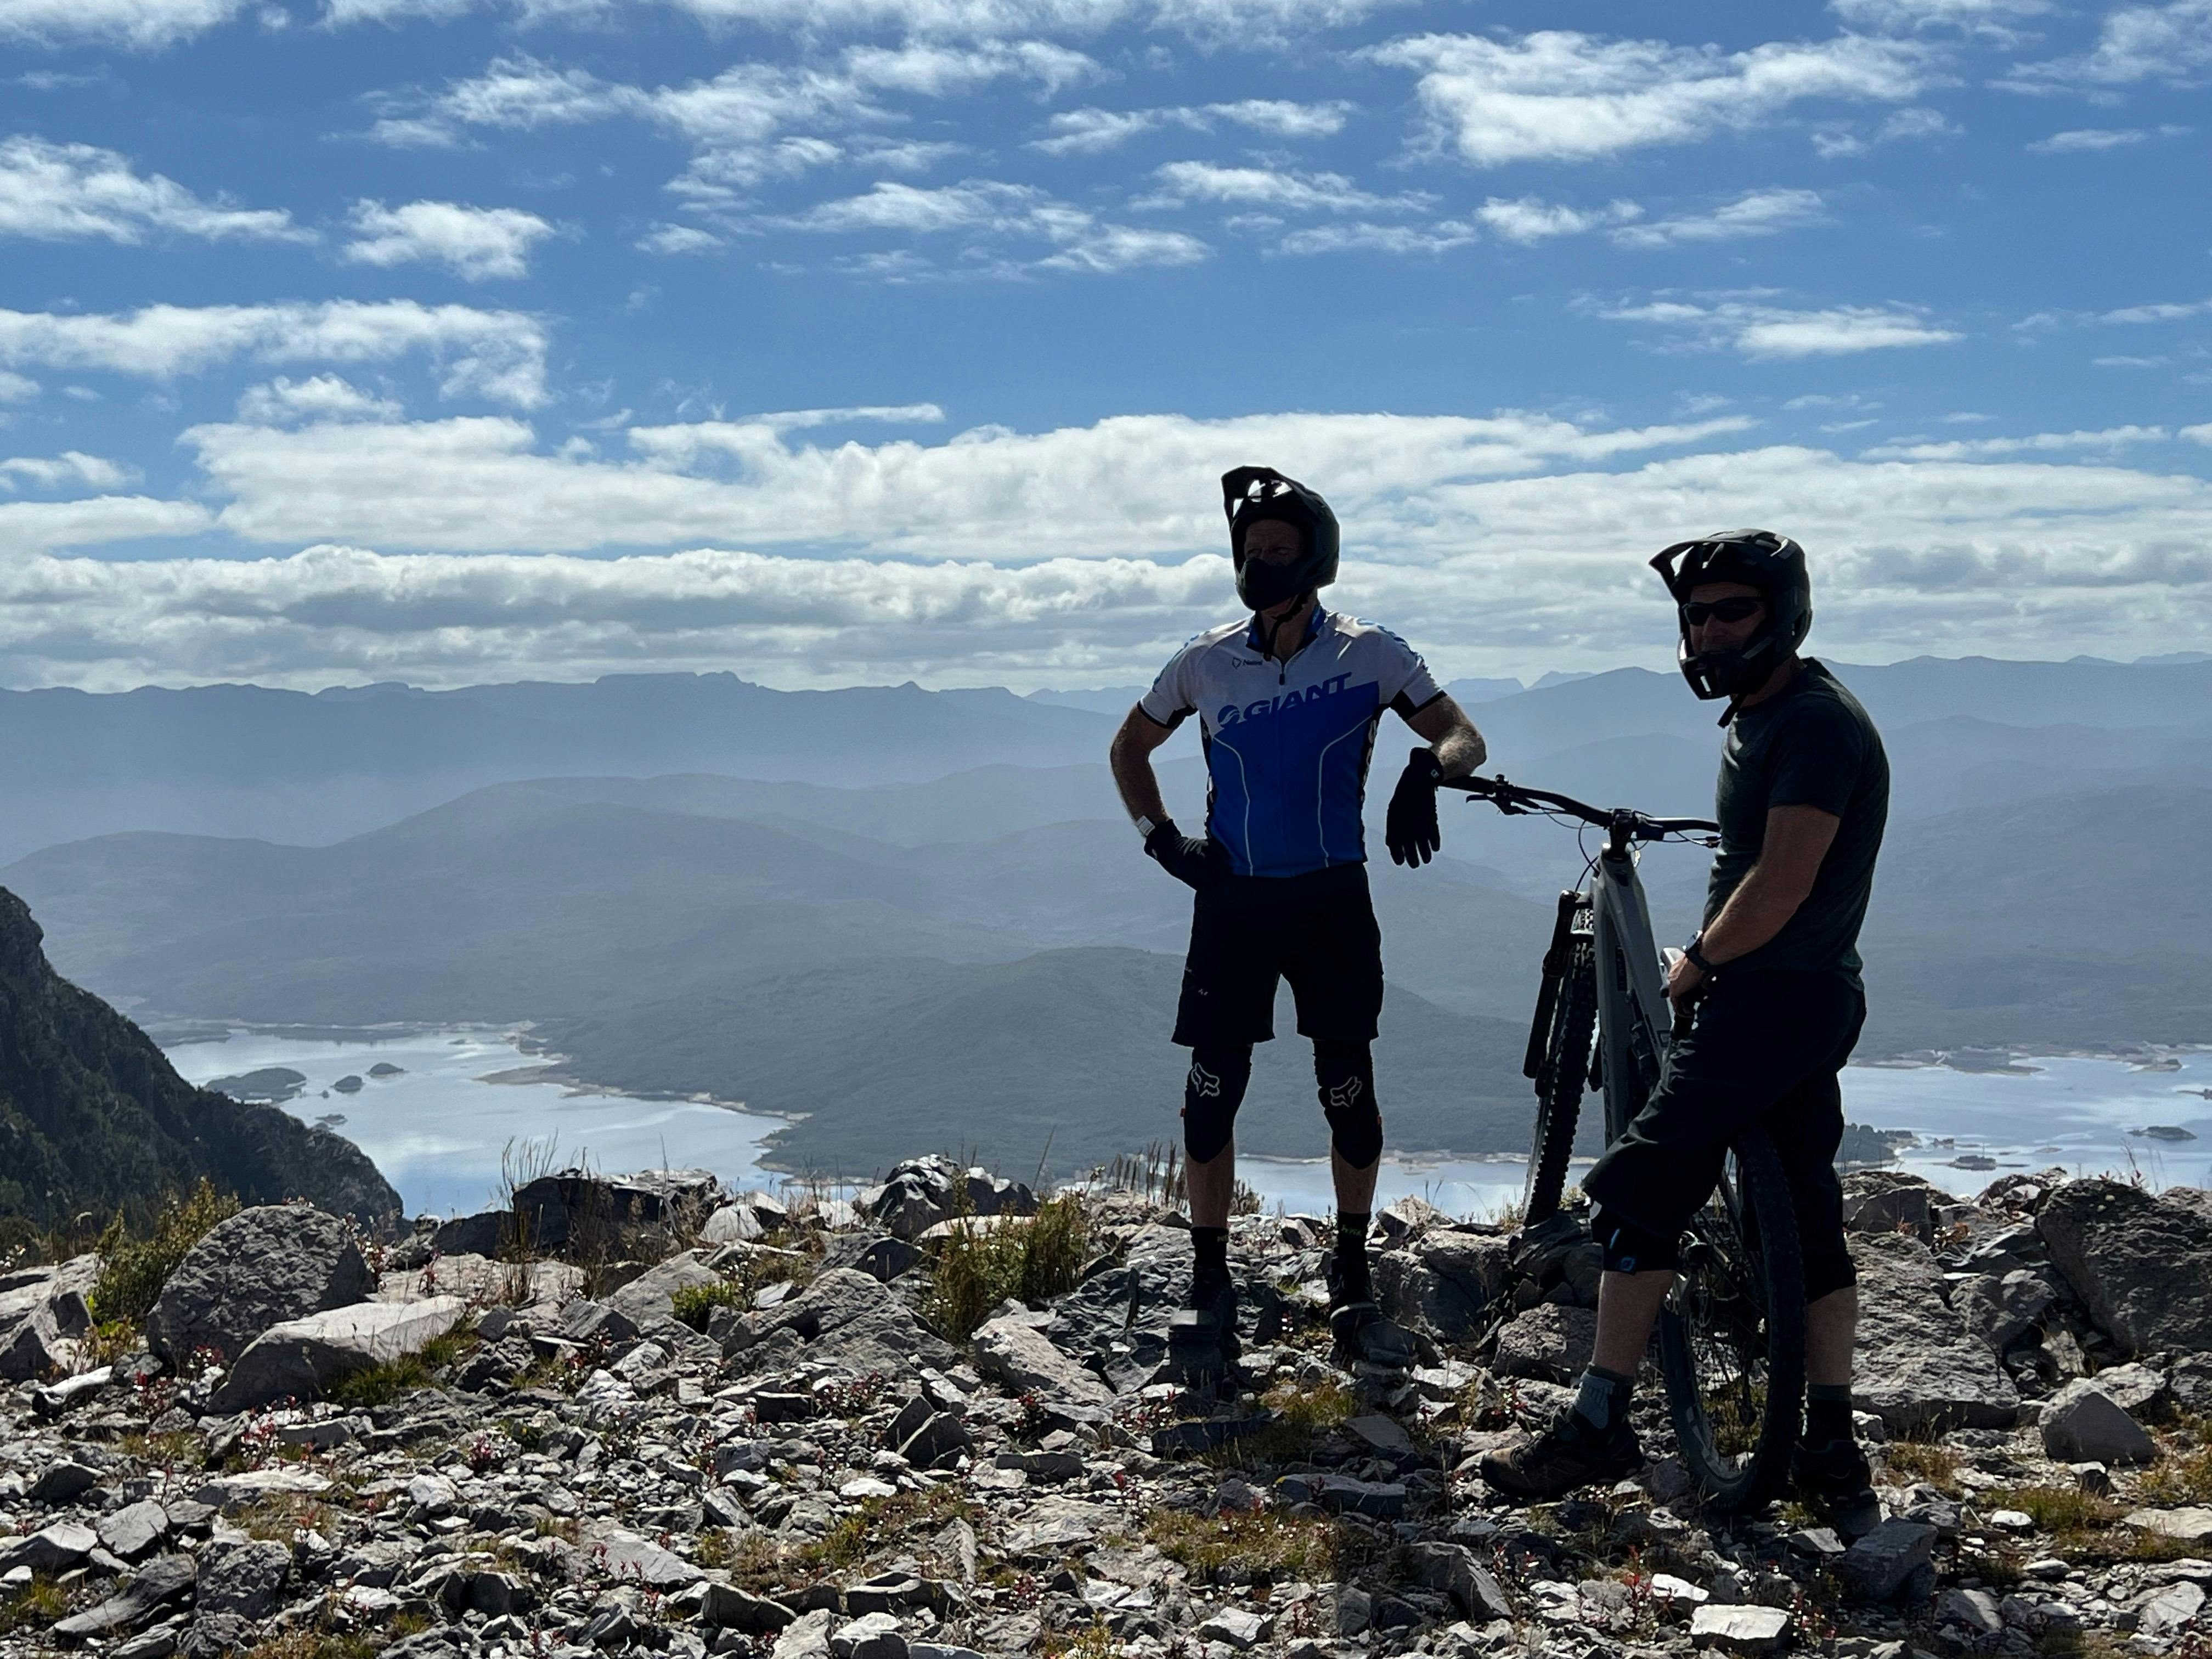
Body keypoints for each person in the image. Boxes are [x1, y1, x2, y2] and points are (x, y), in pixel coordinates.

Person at [1480, 529, 1889, 1533]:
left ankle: (1601, 1421)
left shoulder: (1812, 724)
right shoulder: (1767, 714)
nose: (1708, 632)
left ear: (1783, 613)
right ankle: (1832, 1447)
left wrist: (1697, 962)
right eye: (1696, 615)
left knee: (1636, 1192)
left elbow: (1783, 879)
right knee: (1803, 1209)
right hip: (1807, 997)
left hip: (1768, 999)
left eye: (1731, 612)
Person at [1108, 466, 1487, 1378]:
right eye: (1250, 551)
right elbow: (1129, 748)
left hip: (1330, 898)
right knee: (1211, 1091)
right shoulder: (1206, 659)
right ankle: (1210, 1273)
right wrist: (1164, 842)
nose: (1259, 564)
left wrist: (1426, 771)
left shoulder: (1369, 653)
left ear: (1316, 561)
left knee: (1346, 1085)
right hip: (1233, 899)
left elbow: (1464, 737)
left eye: (1278, 552)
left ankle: (1349, 1263)